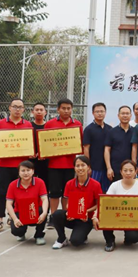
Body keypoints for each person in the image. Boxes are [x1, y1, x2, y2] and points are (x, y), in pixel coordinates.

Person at [0, 98, 34, 234]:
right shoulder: (0, 124)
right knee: (2, 192)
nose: (17, 109)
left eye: (20, 107)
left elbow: (31, 144)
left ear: (24, 110)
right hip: (4, 165)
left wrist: (32, 152)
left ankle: (13, 217)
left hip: (21, 167)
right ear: (9, 108)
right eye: (15, 106)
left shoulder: (27, 125)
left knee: (19, 193)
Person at [93, 160, 138, 252]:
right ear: (121, 172)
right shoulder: (115, 185)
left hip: (132, 218)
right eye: (125, 170)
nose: (128, 173)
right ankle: (110, 241)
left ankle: (128, 238)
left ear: (136, 171)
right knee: (104, 215)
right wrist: (95, 215)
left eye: (131, 170)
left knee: (133, 238)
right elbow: (105, 202)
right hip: (115, 215)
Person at [45, 98, 83, 230]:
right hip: (54, 165)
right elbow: (44, 143)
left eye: (68, 108)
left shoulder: (77, 124)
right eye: (63, 108)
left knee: (67, 193)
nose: (66, 111)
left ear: (72, 109)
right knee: (54, 192)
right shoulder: (50, 124)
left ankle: (65, 215)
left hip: (70, 165)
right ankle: (53, 216)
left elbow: (80, 143)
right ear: (58, 109)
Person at [52, 155, 102, 249]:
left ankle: (83, 235)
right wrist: (69, 211)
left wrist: (86, 211)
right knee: (57, 214)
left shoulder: (95, 185)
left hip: (86, 218)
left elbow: (99, 204)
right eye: (77, 166)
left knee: (76, 241)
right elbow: (67, 202)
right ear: (74, 168)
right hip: (73, 217)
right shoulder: (69, 184)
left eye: (83, 165)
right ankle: (61, 239)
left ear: (88, 167)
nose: (80, 168)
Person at [5, 160, 49, 245]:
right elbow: (9, 203)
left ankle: (39, 235)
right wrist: (15, 219)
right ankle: (21, 233)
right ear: (19, 172)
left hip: (35, 211)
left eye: (28, 170)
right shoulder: (13, 185)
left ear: (33, 171)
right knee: (16, 231)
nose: (26, 173)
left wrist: (44, 213)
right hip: (20, 212)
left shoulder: (40, 182)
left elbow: (44, 199)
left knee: (42, 211)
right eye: (23, 170)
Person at [83, 103, 113, 193]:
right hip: (94, 167)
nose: (100, 113)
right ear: (93, 113)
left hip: (107, 167)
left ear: (105, 113)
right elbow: (86, 148)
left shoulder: (110, 129)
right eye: (97, 111)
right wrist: (88, 166)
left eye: (102, 111)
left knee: (106, 191)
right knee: (93, 190)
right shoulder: (89, 129)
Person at [105, 106, 134, 183]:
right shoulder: (112, 131)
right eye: (123, 113)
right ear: (118, 115)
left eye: (127, 113)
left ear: (131, 115)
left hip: (130, 170)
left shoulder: (135, 131)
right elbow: (107, 150)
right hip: (115, 169)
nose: (125, 115)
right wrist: (109, 168)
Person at [29, 103, 49, 188]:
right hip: (30, 160)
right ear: (32, 112)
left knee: (44, 185)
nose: (39, 112)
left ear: (45, 112)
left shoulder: (49, 126)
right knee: (30, 184)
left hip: (45, 161)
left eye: (41, 110)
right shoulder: (28, 126)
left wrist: (45, 154)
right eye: (37, 110)